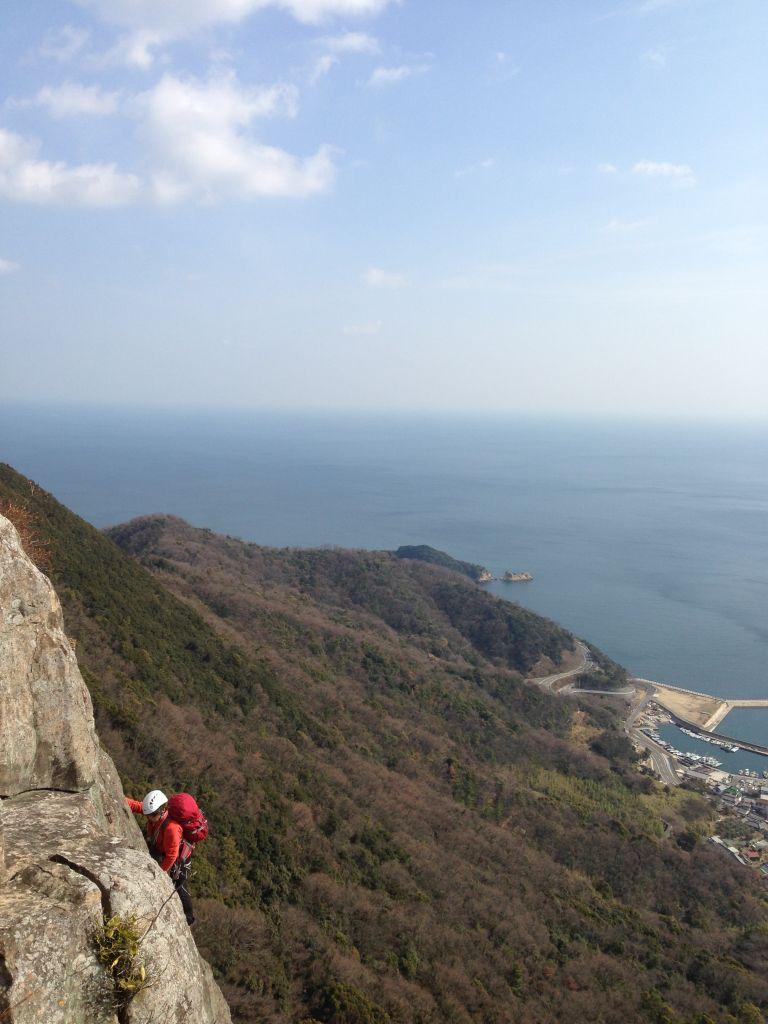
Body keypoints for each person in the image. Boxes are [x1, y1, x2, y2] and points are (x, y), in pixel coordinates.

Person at [126, 789, 195, 925]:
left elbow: (172, 855)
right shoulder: (155, 814)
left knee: (179, 886)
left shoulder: (171, 828)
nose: (148, 817)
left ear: (160, 811)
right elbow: (138, 806)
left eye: (151, 815)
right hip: (162, 850)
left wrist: (160, 874)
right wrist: (121, 799)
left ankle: (189, 917)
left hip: (179, 860)